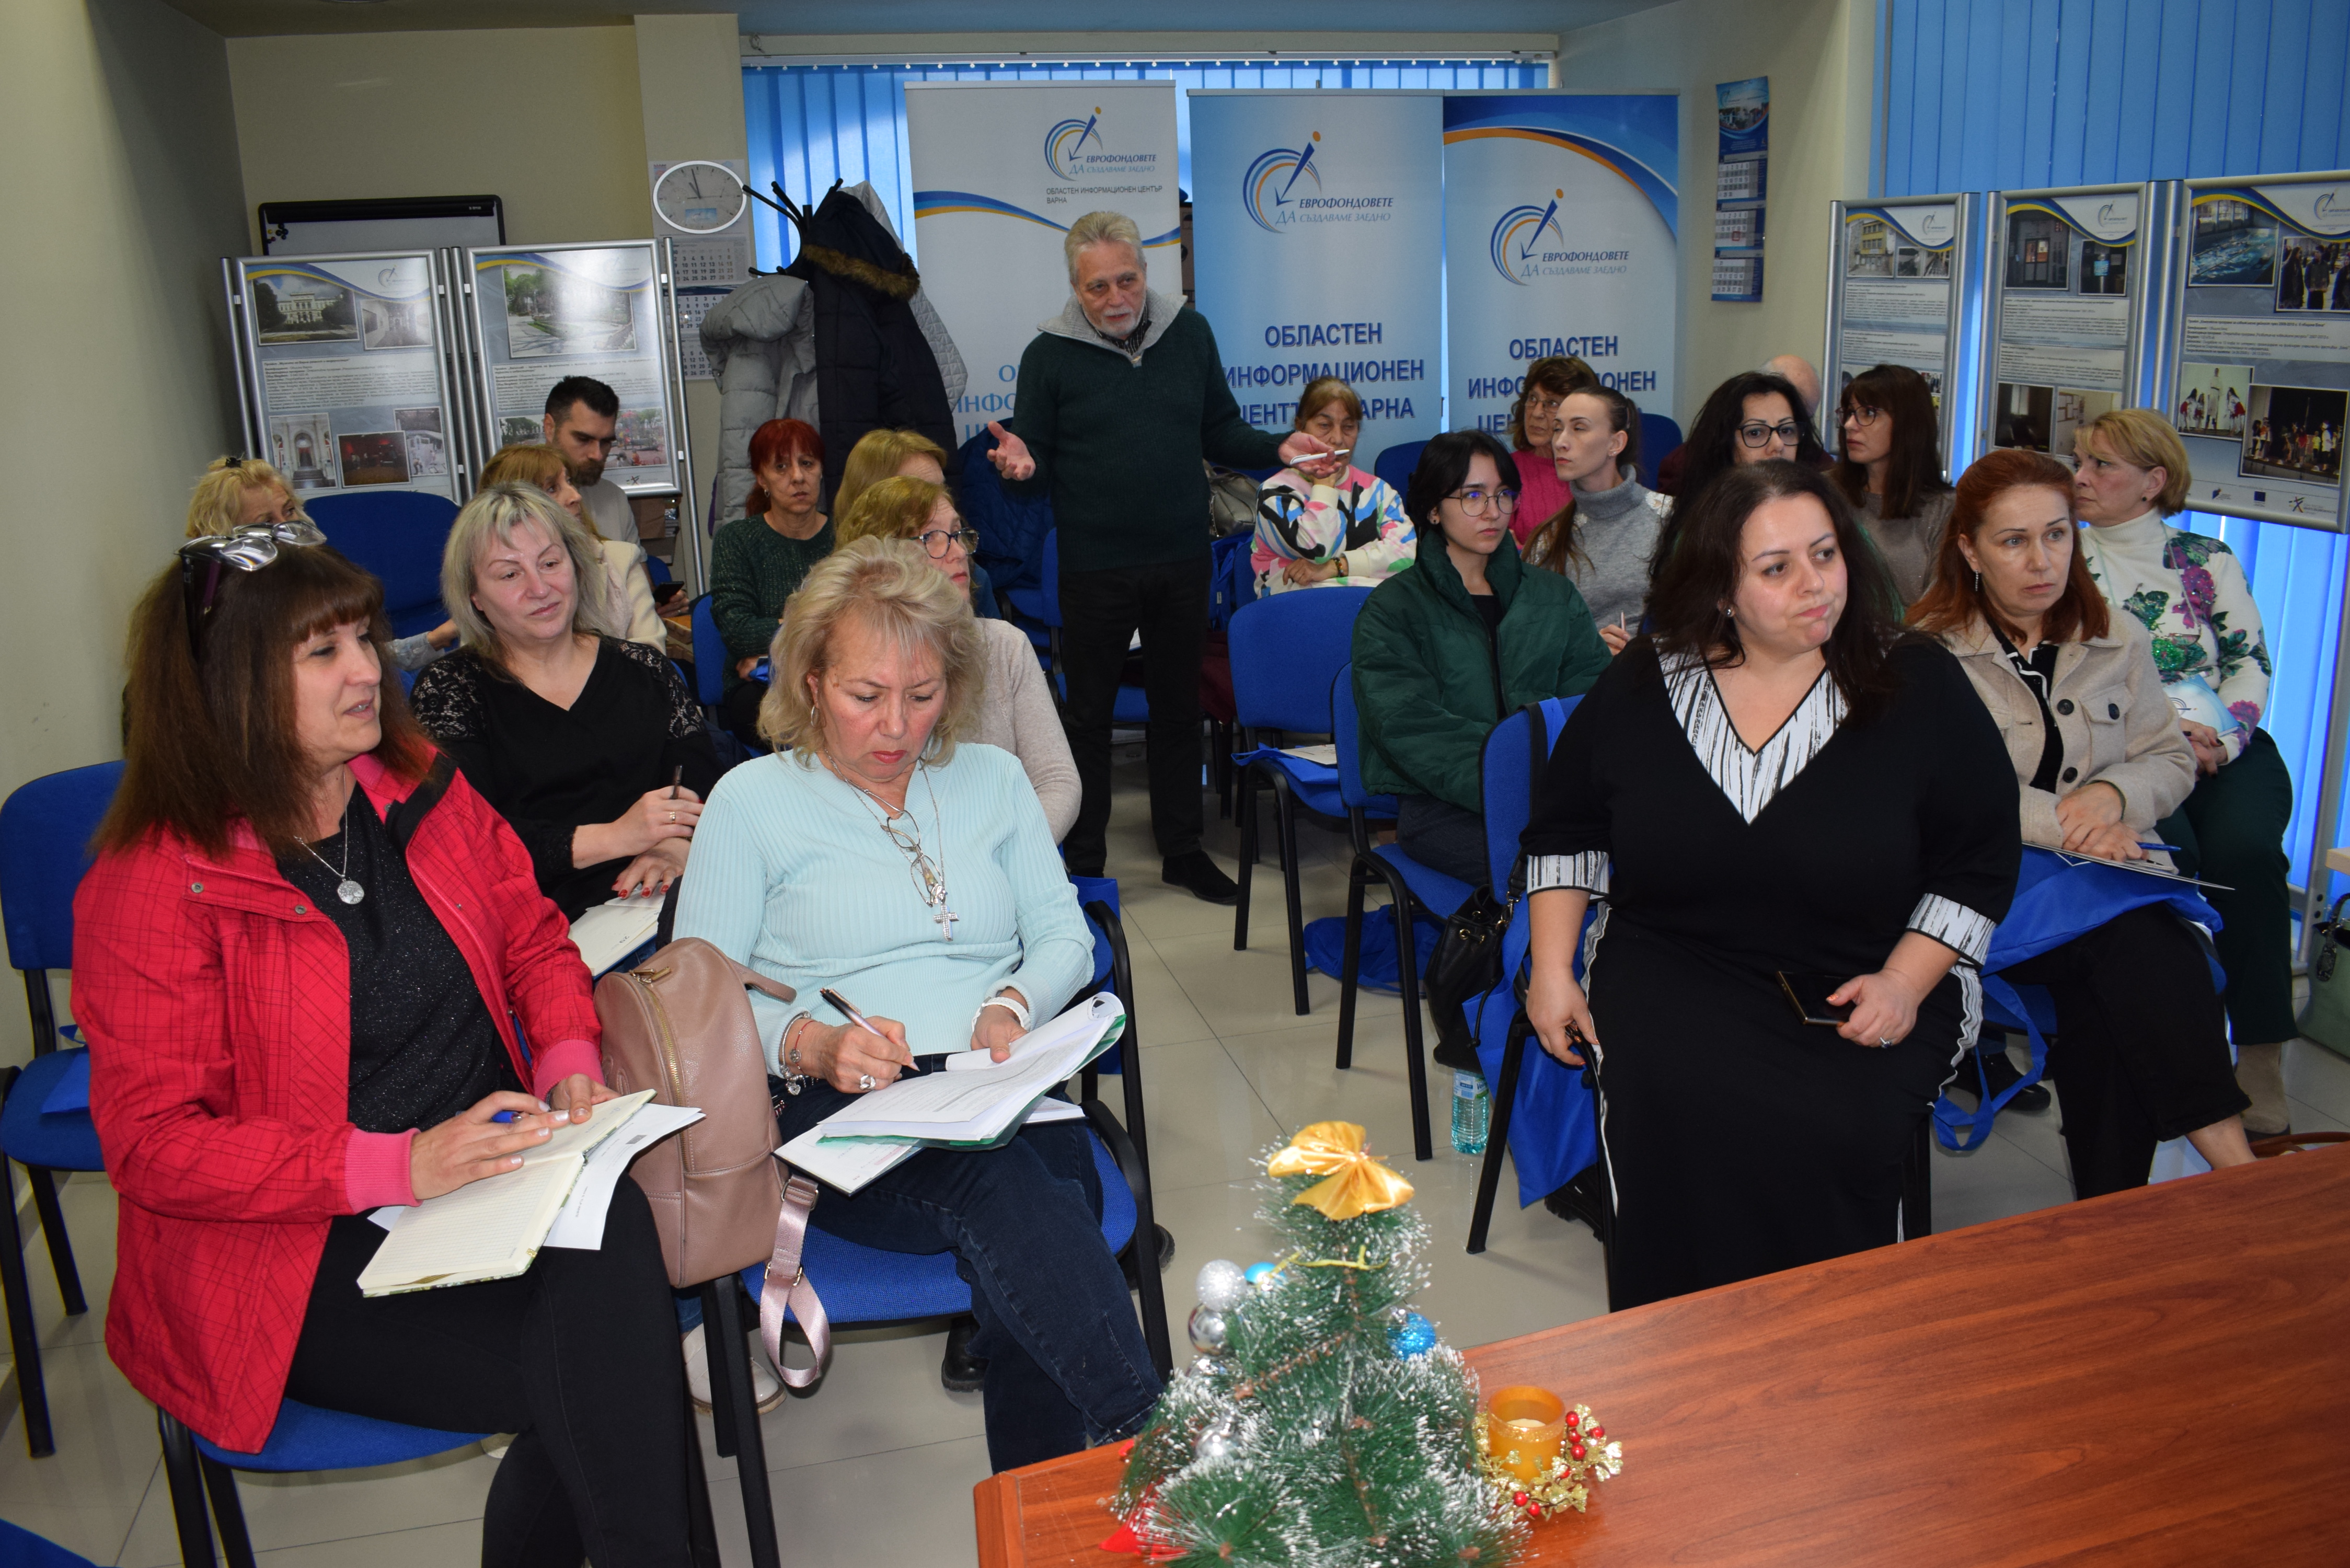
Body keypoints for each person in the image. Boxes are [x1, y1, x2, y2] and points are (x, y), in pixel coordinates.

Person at [75, 528, 689, 1565]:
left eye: (363, 637)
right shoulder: (153, 883)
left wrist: (566, 1061)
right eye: (324, 652)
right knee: (606, 1371)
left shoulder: (416, 782)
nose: (369, 669)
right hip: (293, 1248)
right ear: (228, 686)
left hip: (486, 1171)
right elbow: (155, 1146)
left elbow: (534, 938)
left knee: (611, 1297)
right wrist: (398, 1164)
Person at [674, 539, 1161, 1472]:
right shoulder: (752, 801)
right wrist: (811, 1042)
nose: (897, 726)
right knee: (1021, 1198)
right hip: (839, 1103)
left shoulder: (992, 780)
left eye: (923, 694)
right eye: (866, 695)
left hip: (999, 1077)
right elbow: (700, 1003)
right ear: (811, 681)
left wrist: (1014, 1001)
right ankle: (1152, 1441)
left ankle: (1042, 1509)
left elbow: (1064, 936)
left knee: (1035, 1222)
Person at [1521, 460, 2020, 1309]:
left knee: (1831, 1125)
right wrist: (1551, 970)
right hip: (1677, 962)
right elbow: (1566, 830)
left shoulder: (1917, 683)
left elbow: (1977, 861)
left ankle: (1827, 1344)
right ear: (1720, 589)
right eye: (1777, 568)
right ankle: (1676, 1344)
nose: (1815, 585)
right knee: (1666, 1107)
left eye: (1825, 555)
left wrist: (1905, 982)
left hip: (1866, 972)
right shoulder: (1649, 680)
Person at [1907, 448, 2256, 1192]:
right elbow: (1944, 790)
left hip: (2102, 879)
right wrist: (2072, 821)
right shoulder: (1926, 654)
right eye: (2013, 541)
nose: (2042, 561)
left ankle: (2117, 1211)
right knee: (2138, 949)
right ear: (1969, 549)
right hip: (1982, 893)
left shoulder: (2117, 635)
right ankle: (2237, 1176)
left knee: (2123, 972)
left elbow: (2168, 755)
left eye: (2057, 535)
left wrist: (2116, 799)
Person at [981, 210, 1332, 903]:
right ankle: (1082, 862)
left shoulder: (1189, 334)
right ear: (1075, 288)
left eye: (1127, 280)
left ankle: (1183, 851)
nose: (1115, 298)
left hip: (1180, 559)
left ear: (1146, 273)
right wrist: (1021, 467)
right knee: (1087, 719)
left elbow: (1220, 430)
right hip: (1093, 567)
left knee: (1178, 711)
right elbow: (1035, 465)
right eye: (1097, 287)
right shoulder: (1048, 356)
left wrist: (1277, 448)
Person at [2071, 408, 2295, 1136]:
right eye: (2080, 460)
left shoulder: (2207, 559)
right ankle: (2180, 1048)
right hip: (2124, 750)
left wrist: (2222, 741)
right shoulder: (2062, 559)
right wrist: (2166, 732)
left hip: (2225, 745)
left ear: (2152, 482)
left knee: (2246, 854)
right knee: (2173, 861)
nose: (2080, 477)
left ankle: (2259, 1051)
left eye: (2100, 464)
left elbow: (2249, 662)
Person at [410, 483, 718, 919]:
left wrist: (674, 844)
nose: (540, 588)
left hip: (664, 897)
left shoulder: (645, 668)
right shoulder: (450, 690)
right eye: (510, 574)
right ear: (474, 596)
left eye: (550, 563)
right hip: (540, 920)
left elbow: (703, 784)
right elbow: (467, 841)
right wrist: (616, 837)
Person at [1352, 430, 1611, 887]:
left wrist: (1563, 788)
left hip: (1552, 795)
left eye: (1503, 494)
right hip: (1441, 805)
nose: (1493, 511)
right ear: (1434, 509)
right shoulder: (1394, 609)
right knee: (1555, 874)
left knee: (1639, 856)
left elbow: (1592, 703)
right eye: (1472, 496)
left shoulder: (1553, 596)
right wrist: (1515, 784)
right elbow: (1409, 727)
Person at [837, 475, 1080, 841]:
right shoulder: (852, 666)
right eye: (930, 538)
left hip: (1007, 854)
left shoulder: (1004, 646)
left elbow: (1057, 780)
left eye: (957, 534)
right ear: (879, 560)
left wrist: (1015, 854)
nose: (958, 552)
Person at [186, 455, 456, 671]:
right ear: (229, 536)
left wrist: (434, 639)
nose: (288, 528)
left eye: (289, 511)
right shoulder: (232, 614)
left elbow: (364, 657)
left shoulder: (318, 575)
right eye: (266, 522)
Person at [709, 418, 832, 743]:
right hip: (759, 689)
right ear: (761, 478)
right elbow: (738, 631)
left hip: (835, 676)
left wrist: (769, 656)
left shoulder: (845, 536)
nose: (798, 477)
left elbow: (860, 625)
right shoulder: (737, 540)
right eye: (781, 467)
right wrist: (820, 628)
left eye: (807, 463)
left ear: (821, 470)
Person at [1523, 384, 1671, 647]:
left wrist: (1641, 653)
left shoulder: (1672, 519)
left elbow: (1703, 624)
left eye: (1579, 428)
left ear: (1616, 443)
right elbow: (1533, 640)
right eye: (1557, 429)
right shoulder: (1548, 540)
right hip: (1585, 671)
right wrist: (1588, 652)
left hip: (1664, 666)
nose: (1560, 442)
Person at [478, 443, 664, 649]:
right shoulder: (487, 576)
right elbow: (482, 659)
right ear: (513, 504)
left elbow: (652, 654)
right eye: (552, 489)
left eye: (569, 482)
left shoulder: (622, 558)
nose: (576, 496)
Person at [1251, 376, 1417, 595]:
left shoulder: (1379, 491)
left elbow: (1405, 555)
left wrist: (1337, 567)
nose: (1338, 439)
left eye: (1348, 427)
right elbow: (1317, 549)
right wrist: (1324, 487)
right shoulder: (1274, 493)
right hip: (1296, 609)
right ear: (1300, 427)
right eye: (1324, 426)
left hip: (1368, 609)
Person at [836, 426, 1003, 618]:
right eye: (917, 489)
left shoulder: (973, 576)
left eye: (941, 488)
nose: (937, 498)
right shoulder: (833, 592)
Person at [1832, 364, 1954, 604]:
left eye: (1868, 413)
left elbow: (1941, 606)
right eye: (1849, 413)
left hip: (1914, 628)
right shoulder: (1827, 491)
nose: (1849, 425)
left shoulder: (1944, 508)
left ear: (1907, 424)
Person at [1655, 355, 1825, 497]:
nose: (1778, 445)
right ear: (1724, 442)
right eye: (1756, 433)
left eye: (1787, 430)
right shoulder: (1685, 470)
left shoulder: (1816, 476)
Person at [1505, 355, 1600, 546]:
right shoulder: (1505, 469)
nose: (1536, 413)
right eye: (1533, 398)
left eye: (1552, 403)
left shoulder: (1598, 469)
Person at [542, 375, 636, 545]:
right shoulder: (513, 502)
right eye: (584, 440)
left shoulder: (614, 498)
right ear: (550, 428)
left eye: (606, 442)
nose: (597, 455)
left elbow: (635, 563)